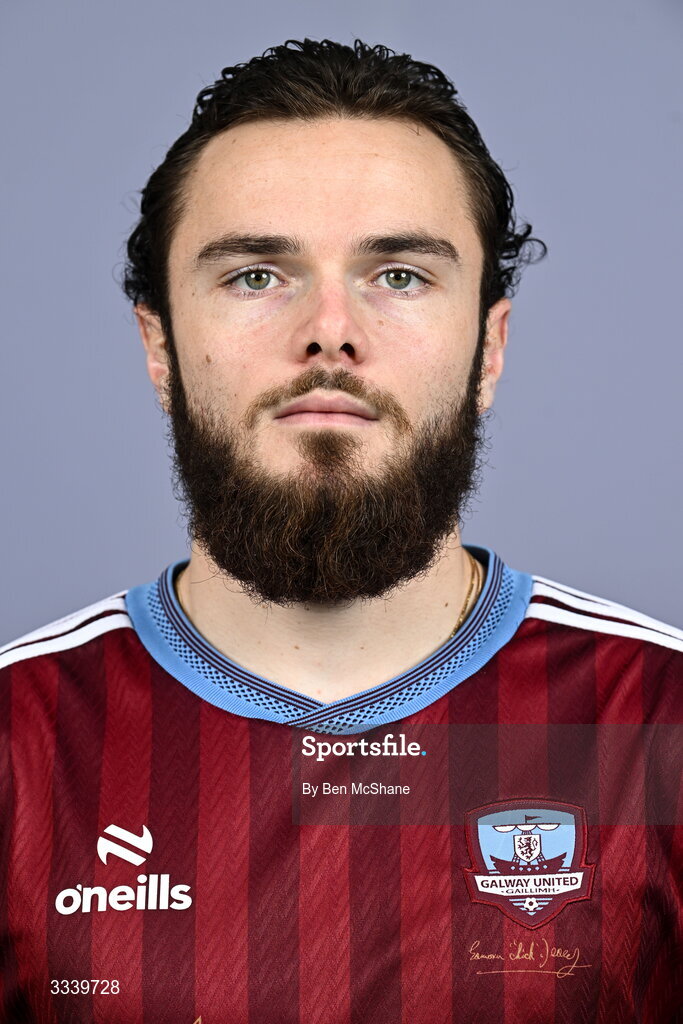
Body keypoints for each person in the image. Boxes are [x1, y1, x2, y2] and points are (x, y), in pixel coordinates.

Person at [0, 37, 680, 1024]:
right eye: (254, 275)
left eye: (398, 274)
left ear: (488, 346)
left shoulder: (655, 721)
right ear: (159, 347)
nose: (328, 329)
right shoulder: (19, 742)